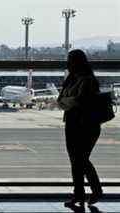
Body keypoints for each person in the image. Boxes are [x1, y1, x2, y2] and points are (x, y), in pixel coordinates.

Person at [57, 49, 103, 207]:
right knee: (76, 161)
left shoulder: (87, 80)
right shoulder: (71, 80)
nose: (68, 63)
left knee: (80, 160)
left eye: (70, 60)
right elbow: (62, 101)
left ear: (77, 62)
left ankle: (94, 191)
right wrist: (70, 101)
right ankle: (81, 194)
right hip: (72, 124)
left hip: (86, 125)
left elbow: (78, 101)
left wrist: (68, 102)